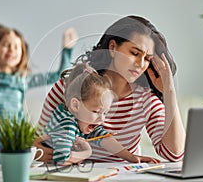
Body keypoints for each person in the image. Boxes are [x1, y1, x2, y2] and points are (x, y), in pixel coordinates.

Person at [34, 15, 186, 163]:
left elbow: (174, 155)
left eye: (147, 58)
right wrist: (36, 152)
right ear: (112, 48)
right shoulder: (69, 86)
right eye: (134, 53)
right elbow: (36, 140)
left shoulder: (145, 100)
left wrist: (169, 91)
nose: (140, 63)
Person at [0, 9, 77, 181]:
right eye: (6, 44)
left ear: (22, 54)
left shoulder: (21, 80)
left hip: (21, 149)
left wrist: (67, 49)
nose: (12, 49)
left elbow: (58, 75)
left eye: (16, 46)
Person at [40, 62, 157, 165]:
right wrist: (86, 152)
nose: (102, 120)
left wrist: (131, 157)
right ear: (76, 105)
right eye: (96, 112)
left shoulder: (81, 119)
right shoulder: (67, 125)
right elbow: (61, 159)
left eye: (105, 113)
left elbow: (104, 138)